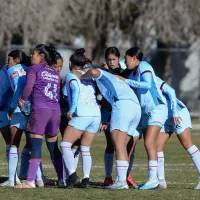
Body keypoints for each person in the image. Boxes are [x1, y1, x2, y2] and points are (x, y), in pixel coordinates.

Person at [75, 66, 141, 189]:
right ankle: (121, 179)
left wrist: (82, 76)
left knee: (119, 145)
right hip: (136, 107)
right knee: (123, 146)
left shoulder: (103, 75)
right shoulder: (115, 79)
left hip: (122, 104)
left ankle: (121, 182)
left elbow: (94, 71)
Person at [117, 47, 168, 190]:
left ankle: (153, 179)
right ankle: (124, 178)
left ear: (134, 58)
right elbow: (119, 63)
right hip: (144, 113)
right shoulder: (133, 71)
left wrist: (126, 81)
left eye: (127, 59)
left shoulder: (144, 66)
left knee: (149, 143)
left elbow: (146, 85)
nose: (125, 63)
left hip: (157, 109)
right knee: (140, 142)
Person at [16, 44, 63, 189]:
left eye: (34, 54)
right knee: (53, 147)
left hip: (41, 110)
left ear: (41, 56)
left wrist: (22, 99)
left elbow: (29, 86)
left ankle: (30, 181)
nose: (31, 56)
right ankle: (62, 179)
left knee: (36, 144)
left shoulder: (34, 69)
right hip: (55, 111)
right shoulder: (55, 73)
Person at [61, 48, 101, 188]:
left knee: (65, 144)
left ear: (71, 63)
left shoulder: (72, 75)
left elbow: (76, 89)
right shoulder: (88, 75)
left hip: (82, 113)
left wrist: (72, 110)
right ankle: (86, 179)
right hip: (95, 114)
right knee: (85, 149)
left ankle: (72, 175)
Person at [101, 47, 138, 187]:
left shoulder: (126, 73)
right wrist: (104, 118)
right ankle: (108, 177)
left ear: (119, 59)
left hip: (128, 112)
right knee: (112, 145)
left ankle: (125, 176)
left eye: (114, 59)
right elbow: (104, 97)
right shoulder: (103, 74)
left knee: (130, 145)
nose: (111, 62)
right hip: (111, 113)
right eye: (109, 60)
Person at [155, 77, 200, 190]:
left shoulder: (150, 77)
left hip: (177, 113)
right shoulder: (134, 80)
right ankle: (161, 182)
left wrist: (174, 112)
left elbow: (171, 91)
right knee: (156, 147)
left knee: (188, 145)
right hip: (164, 116)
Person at [0, 50, 31, 187]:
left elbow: (15, 88)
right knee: (32, 143)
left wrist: (11, 106)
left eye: (9, 59)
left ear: (17, 59)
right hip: (32, 110)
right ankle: (34, 178)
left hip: (14, 109)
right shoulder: (30, 69)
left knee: (12, 143)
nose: (8, 62)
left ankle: (13, 178)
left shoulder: (11, 70)